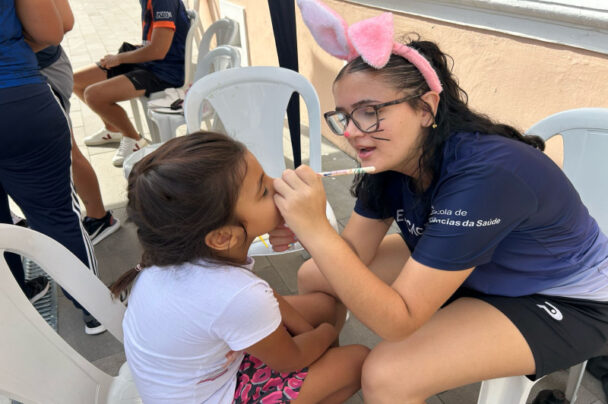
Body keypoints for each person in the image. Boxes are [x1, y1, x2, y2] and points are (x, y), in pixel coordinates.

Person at [269, 0, 608, 402]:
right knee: (315, 275)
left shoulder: (486, 174)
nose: (352, 132)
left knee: (387, 374)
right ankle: (326, 375)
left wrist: (317, 230)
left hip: (565, 298)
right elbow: (353, 253)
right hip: (484, 265)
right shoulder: (392, 158)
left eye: (370, 111)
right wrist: (302, 225)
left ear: (426, 108)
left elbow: (399, 320)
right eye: (344, 116)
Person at [110, 132, 369, 403]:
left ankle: (319, 373)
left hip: (203, 376)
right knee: (357, 361)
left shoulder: (177, 254)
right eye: (263, 190)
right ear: (223, 237)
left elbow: (256, 298)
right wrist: (326, 333)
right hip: (215, 395)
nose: (278, 182)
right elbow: (289, 359)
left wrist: (309, 331)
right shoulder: (235, 294)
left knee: (324, 307)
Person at [1, 0, 106, 334]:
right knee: (55, 216)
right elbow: (53, 29)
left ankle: (18, 297)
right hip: (15, 97)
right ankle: (95, 310)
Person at [73, 0, 189, 167]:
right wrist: (124, 56)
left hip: (165, 71)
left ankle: (134, 139)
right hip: (149, 63)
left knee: (93, 95)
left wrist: (119, 58)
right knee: (75, 81)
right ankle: (113, 128)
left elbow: (158, 50)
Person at [37, 44, 121, 244]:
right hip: (34, 72)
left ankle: (99, 218)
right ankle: (96, 218)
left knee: (66, 151)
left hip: (40, 72)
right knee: (59, 152)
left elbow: (60, 29)